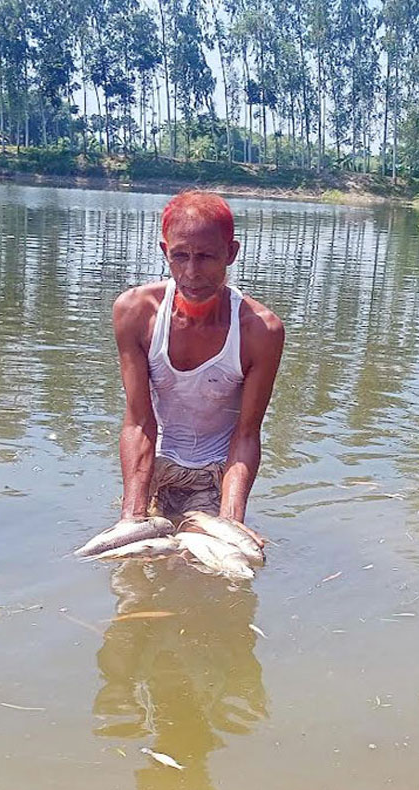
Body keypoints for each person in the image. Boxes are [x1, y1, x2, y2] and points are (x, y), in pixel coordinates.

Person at [108, 190, 284, 533]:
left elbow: (246, 435)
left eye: (206, 257)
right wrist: (132, 514)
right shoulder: (134, 312)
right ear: (165, 252)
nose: (191, 272)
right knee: (135, 566)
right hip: (155, 464)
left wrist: (230, 523)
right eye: (180, 256)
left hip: (215, 471)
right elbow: (138, 423)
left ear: (231, 253)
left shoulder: (261, 330)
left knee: (201, 565)